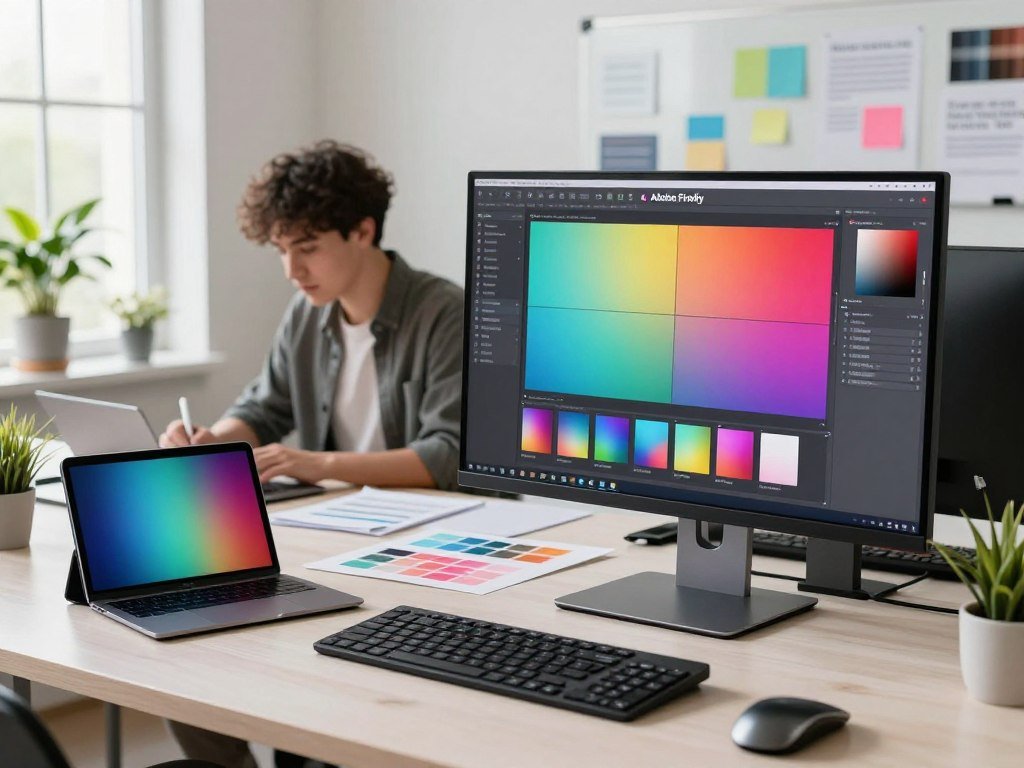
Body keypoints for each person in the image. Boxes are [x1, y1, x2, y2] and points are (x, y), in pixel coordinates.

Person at [161, 140, 463, 768]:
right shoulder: (307, 314)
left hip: (434, 546)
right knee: (185, 653)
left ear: (363, 230)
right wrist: (216, 441)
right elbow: (262, 407)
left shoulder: (443, 312)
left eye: (307, 248)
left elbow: (448, 454)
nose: (292, 271)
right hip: (332, 536)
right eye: (281, 251)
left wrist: (316, 463)